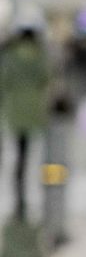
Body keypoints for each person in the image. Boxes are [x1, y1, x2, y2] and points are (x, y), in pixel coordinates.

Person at [0, 28, 51, 216]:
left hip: (14, 108)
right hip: (34, 108)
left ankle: (18, 182)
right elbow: (46, 79)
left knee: (17, 147)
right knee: (28, 149)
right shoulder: (40, 56)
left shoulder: (9, 56)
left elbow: (3, 81)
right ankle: (31, 182)